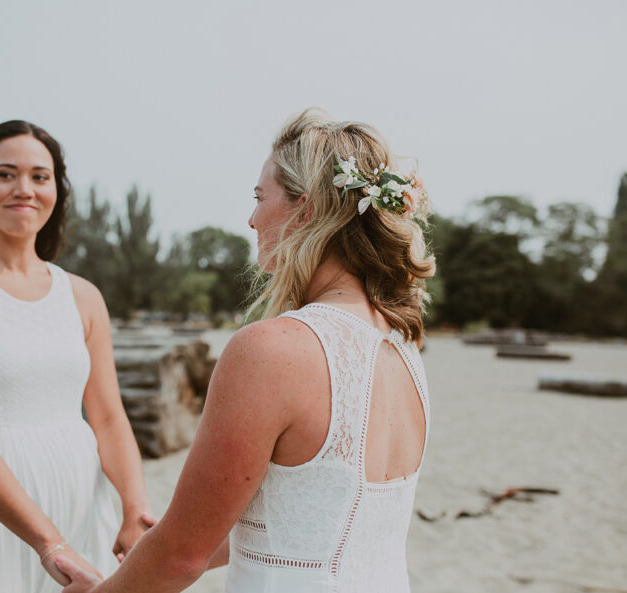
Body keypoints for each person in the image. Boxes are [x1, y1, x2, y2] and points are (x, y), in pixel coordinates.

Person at [59, 108, 435, 593]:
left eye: (260, 197)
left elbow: (182, 557)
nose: (251, 219)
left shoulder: (272, 350)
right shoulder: (402, 347)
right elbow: (307, 518)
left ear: (307, 209)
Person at [0, 120, 152, 593]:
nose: (24, 189)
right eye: (6, 174)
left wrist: (133, 509)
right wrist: (49, 542)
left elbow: (108, 417)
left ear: (56, 192)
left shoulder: (83, 296)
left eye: (40, 177)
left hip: (82, 499)